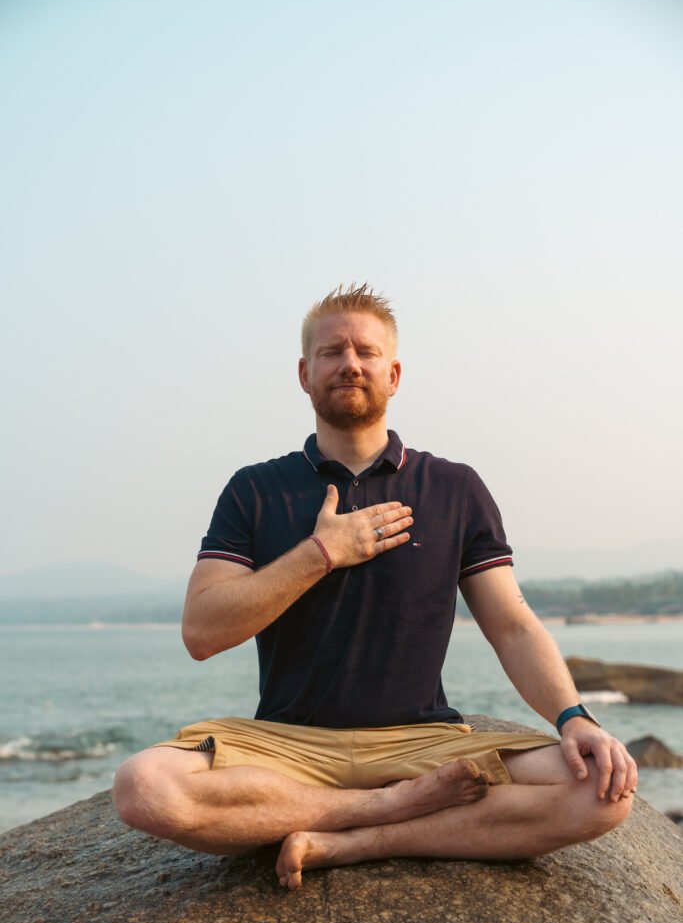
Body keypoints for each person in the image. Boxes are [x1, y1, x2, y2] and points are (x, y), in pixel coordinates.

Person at [113, 284, 637, 890]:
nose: (350, 363)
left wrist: (575, 718)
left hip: (423, 740)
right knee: (143, 787)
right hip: (288, 745)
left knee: (600, 793)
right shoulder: (255, 490)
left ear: (394, 373)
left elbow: (512, 624)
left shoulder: (453, 488)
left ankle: (355, 843)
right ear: (305, 374)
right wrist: (321, 553)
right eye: (332, 351)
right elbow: (202, 631)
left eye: (366, 351)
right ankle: (384, 809)